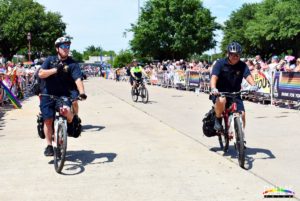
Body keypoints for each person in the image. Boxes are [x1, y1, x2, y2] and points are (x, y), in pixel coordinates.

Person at [38, 36, 87, 156]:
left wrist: (82, 92)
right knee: (48, 120)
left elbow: (78, 79)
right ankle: (49, 146)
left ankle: (73, 120)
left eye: (68, 46)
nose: (66, 48)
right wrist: (55, 70)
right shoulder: (50, 60)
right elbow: (41, 73)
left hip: (64, 94)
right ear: (57, 48)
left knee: (66, 112)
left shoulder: (72, 64)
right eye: (63, 46)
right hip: (48, 94)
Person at [210, 42, 258, 134]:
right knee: (222, 100)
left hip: (235, 93)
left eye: (237, 55)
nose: (235, 57)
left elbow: (248, 76)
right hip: (220, 92)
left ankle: (241, 137)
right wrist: (213, 88)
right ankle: (218, 118)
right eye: (232, 54)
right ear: (228, 54)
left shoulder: (242, 65)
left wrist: (253, 85)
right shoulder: (220, 63)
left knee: (242, 114)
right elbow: (214, 77)